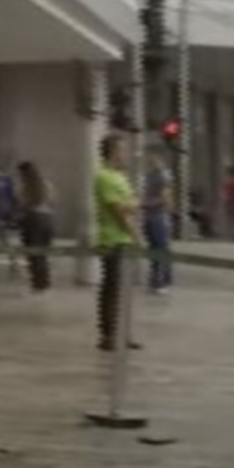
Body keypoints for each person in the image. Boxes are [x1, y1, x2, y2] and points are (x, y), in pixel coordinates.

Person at [94, 134, 141, 351]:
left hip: (124, 239)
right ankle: (108, 334)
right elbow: (118, 211)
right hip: (112, 239)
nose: (125, 154)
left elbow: (133, 202)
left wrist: (129, 205)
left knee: (124, 289)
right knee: (111, 287)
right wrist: (133, 233)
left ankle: (123, 332)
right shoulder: (103, 177)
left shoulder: (121, 177)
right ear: (112, 151)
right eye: (121, 150)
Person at [16, 161, 56, 293]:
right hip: (47, 219)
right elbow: (52, 200)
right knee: (42, 253)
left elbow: (23, 205)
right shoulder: (46, 184)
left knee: (33, 254)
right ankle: (44, 283)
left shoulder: (25, 187)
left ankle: (38, 284)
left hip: (32, 220)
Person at [142, 150, 174, 294]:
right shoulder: (149, 175)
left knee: (161, 248)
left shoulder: (163, 176)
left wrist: (147, 204)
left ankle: (164, 281)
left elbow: (166, 199)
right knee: (154, 249)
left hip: (158, 216)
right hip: (149, 216)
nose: (150, 159)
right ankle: (155, 280)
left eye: (153, 157)